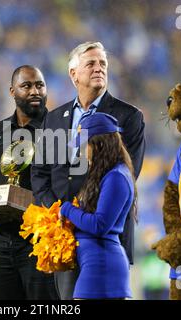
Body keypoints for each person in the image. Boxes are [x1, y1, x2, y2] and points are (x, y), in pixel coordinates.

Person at [31, 41, 145, 299]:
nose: (99, 68)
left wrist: (75, 213)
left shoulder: (129, 116)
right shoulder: (53, 118)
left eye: (103, 63)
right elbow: (39, 174)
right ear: (73, 74)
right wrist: (56, 214)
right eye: (91, 63)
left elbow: (128, 174)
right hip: (62, 236)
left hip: (101, 239)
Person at [0, 65, 58, 300]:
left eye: (39, 85)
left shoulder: (59, 131)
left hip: (41, 241)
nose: (34, 91)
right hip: (0, 243)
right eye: (26, 86)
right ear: (12, 91)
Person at [59, 112, 135, 299]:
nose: (83, 153)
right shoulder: (109, 174)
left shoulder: (116, 177)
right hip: (95, 266)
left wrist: (67, 209)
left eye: (85, 146)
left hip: (101, 270)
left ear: (100, 144)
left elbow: (99, 225)